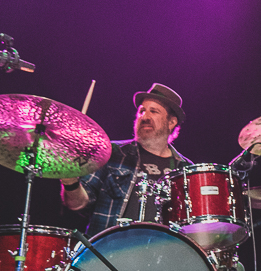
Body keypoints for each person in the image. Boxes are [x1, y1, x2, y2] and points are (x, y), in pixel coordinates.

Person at [61, 84, 193, 231]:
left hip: (164, 250)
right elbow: (77, 204)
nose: (145, 116)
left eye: (154, 111)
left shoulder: (186, 170)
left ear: (171, 122)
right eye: (142, 111)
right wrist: (69, 181)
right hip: (109, 250)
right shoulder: (111, 153)